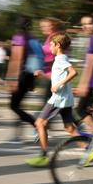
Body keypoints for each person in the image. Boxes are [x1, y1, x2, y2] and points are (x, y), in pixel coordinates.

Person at [27, 33, 77, 167]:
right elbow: (57, 78)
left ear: (58, 45)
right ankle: (90, 149)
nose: (49, 47)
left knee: (39, 123)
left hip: (58, 99)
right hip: (65, 98)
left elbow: (73, 72)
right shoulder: (60, 59)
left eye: (51, 44)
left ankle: (44, 156)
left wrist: (59, 85)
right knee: (69, 128)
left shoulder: (61, 59)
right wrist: (43, 75)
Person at [4, 16, 43, 143]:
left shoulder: (19, 37)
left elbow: (16, 59)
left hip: (21, 75)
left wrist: (11, 79)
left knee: (14, 106)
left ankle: (36, 125)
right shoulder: (33, 37)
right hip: (30, 75)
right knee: (18, 105)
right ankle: (18, 134)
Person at [39, 18, 65, 102]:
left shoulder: (56, 37)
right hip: (49, 74)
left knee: (50, 102)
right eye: (41, 26)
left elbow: (59, 55)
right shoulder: (49, 38)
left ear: (53, 26)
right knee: (53, 101)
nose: (42, 28)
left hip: (54, 74)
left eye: (45, 26)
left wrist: (43, 62)